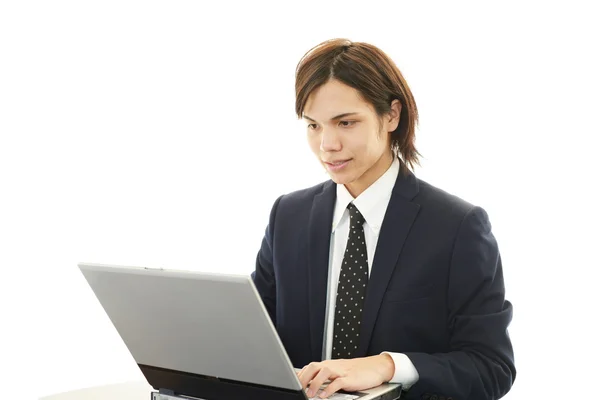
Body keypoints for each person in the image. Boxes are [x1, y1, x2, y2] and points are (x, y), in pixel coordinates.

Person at [251, 38, 515, 400]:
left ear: (392, 115)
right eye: (313, 125)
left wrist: (388, 365)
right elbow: (252, 340)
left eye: (345, 122)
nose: (327, 144)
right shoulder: (288, 217)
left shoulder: (456, 227)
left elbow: (491, 368)